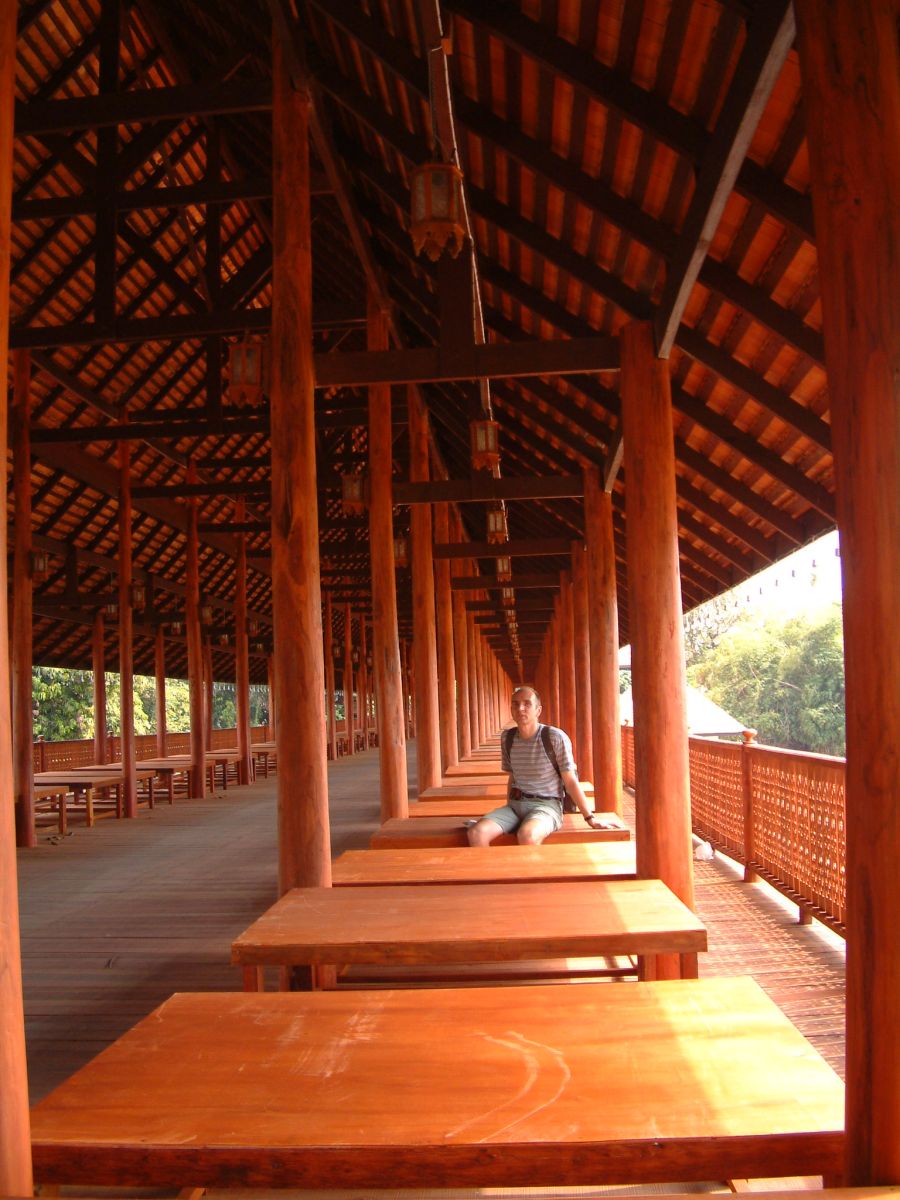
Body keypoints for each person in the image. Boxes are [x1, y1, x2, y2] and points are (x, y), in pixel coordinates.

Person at [467, 685, 617, 846]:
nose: (520, 708)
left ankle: (528, 871)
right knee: (477, 833)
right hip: (515, 806)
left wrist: (590, 818)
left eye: (527, 704)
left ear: (538, 710)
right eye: (515, 704)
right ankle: (490, 871)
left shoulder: (554, 737)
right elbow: (513, 776)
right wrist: (507, 808)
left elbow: (570, 780)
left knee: (527, 835)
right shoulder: (508, 738)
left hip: (547, 806)